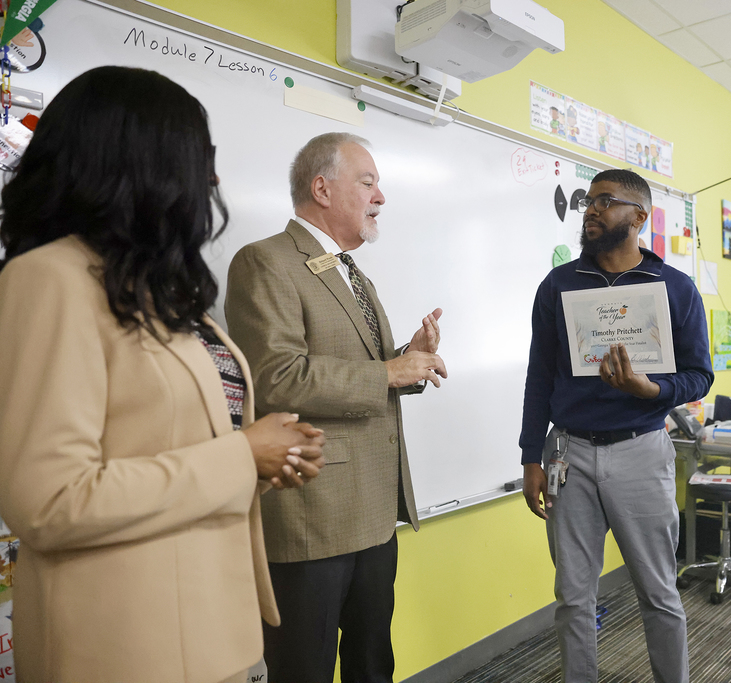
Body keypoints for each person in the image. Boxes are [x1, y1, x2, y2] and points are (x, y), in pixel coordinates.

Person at [0, 66, 326, 683]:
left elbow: (172, 450)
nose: (213, 179)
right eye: (197, 157)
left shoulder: (158, 291)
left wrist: (264, 462)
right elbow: (47, 500)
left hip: (215, 630)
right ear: (139, 164)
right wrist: (242, 455)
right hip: (127, 645)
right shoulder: (49, 278)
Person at [224, 132, 447, 683]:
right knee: (306, 669)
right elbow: (276, 377)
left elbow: (356, 366)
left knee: (373, 665)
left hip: (373, 512)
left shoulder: (352, 271)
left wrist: (407, 361)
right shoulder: (264, 262)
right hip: (312, 516)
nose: (381, 197)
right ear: (322, 189)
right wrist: (387, 372)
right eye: (368, 182)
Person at [520, 169, 713, 683]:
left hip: (640, 449)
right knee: (573, 597)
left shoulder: (674, 287)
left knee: (657, 592)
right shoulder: (558, 284)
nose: (592, 210)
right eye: (588, 200)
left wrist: (652, 391)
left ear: (639, 216)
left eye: (606, 201)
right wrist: (528, 457)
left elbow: (699, 377)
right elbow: (540, 376)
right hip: (568, 455)